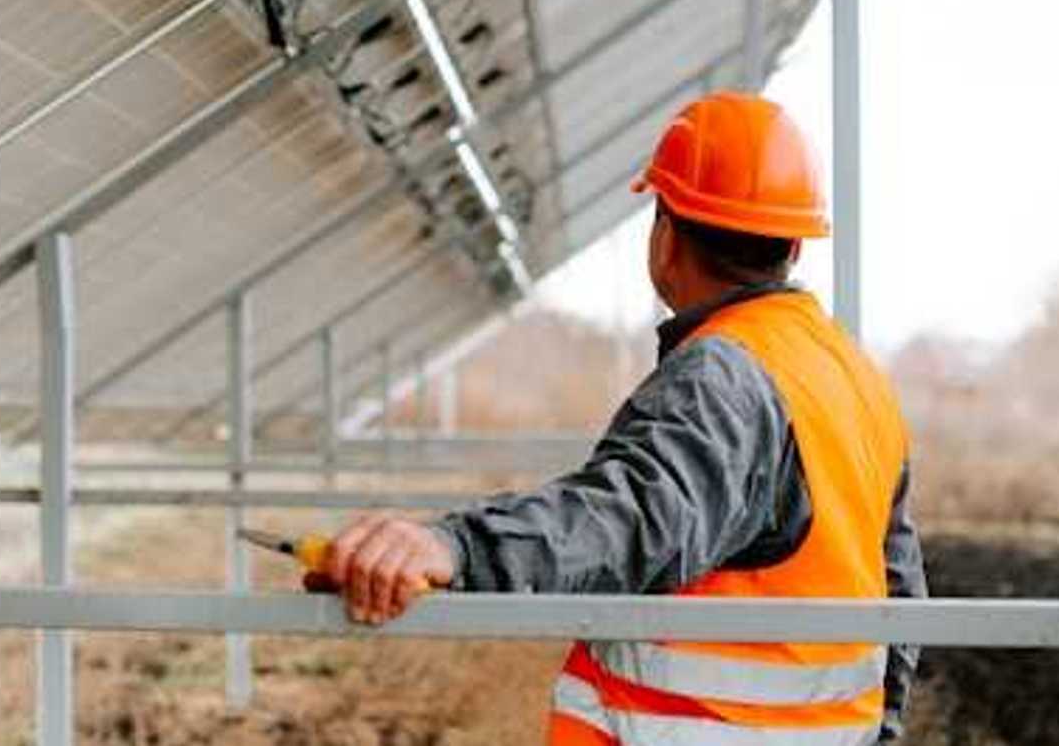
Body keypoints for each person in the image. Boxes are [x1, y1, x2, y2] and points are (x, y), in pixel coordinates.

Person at [318, 93, 928, 744]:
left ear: (665, 234)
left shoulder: (725, 375)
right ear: (794, 249)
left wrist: (458, 547)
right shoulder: (854, 377)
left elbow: (631, 516)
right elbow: (900, 594)